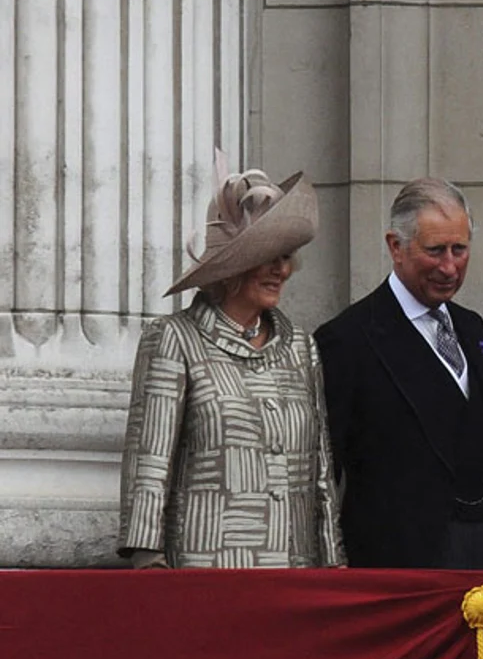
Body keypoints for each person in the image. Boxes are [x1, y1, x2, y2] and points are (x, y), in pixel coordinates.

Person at [117, 160, 343, 569]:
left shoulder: (301, 348)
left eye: (286, 256)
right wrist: (148, 562)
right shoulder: (175, 339)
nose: (281, 269)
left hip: (295, 575)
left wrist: (333, 565)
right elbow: (150, 462)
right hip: (208, 576)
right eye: (267, 256)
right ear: (231, 266)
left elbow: (321, 473)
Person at [315, 178, 483, 570]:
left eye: (459, 249)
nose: (449, 267)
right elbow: (325, 474)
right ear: (396, 246)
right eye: (435, 251)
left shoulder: (472, 329)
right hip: (398, 565)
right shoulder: (348, 339)